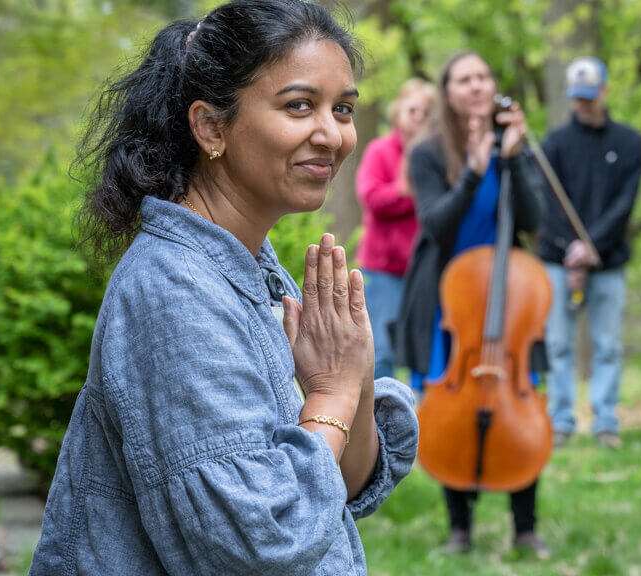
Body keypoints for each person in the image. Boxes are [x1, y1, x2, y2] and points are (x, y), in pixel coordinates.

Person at [29, 2, 418, 574]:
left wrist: (353, 375)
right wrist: (333, 395)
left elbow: (341, 482)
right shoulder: (173, 290)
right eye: (299, 105)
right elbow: (260, 541)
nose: (332, 134)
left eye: (343, 108)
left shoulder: (252, 267)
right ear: (211, 127)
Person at [392, 51, 548, 557]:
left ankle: (525, 527)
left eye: (483, 76)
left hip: (508, 298)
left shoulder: (512, 145)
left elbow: (533, 220)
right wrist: (474, 173)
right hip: (449, 298)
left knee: (520, 398)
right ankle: (460, 528)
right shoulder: (427, 151)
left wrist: (515, 158)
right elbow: (436, 224)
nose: (477, 86)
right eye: (464, 79)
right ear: (448, 91)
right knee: (449, 404)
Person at [538, 56, 641, 450]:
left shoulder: (630, 143)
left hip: (608, 261)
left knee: (608, 345)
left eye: (589, 96)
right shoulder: (553, 144)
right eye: (577, 97)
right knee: (558, 344)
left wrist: (591, 246)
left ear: (604, 92)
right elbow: (548, 204)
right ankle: (561, 421)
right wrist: (571, 251)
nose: (583, 104)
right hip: (558, 261)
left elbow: (624, 205)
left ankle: (605, 421)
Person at [356, 78, 435, 379]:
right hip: (385, 270)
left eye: (426, 112)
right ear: (398, 112)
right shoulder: (380, 151)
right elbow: (371, 198)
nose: (419, 117)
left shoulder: (438, 154)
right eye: (412, 110)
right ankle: (379, 409)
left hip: (425, 268)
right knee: (382, 351)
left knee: (427, 350)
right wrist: (407, 192)